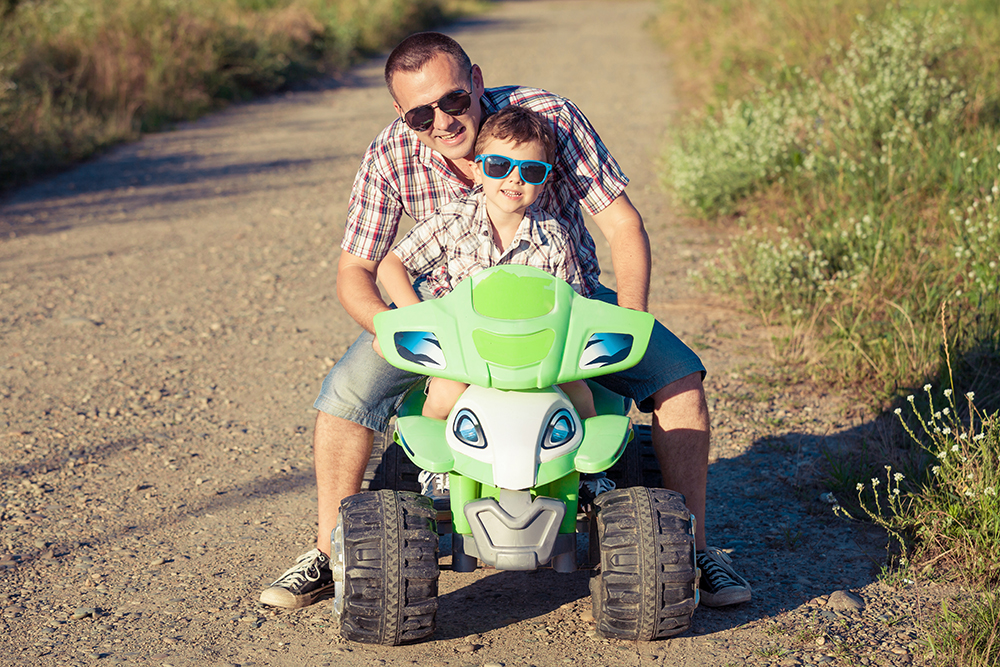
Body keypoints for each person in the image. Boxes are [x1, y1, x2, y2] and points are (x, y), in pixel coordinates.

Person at [259, 31, 751, 611]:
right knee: (346, 393)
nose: (440, 122)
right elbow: (357, 271)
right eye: (420, 113)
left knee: (679, 379)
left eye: (452, 101)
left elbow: (621, 226)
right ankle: (330, 550)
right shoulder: (391, 153)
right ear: (401, 113)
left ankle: (690, 549)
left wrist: (632, 318)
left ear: (475, 82)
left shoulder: (548, 121)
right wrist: (399, 325)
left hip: (564, 306)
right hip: (448, 319)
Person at [376, 104, 596, 421]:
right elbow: (391, 265)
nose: (515, 179)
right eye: (498, 165)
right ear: (478, 169)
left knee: (578, 391)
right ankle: (433, 459)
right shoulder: (454, 219)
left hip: (532, 345)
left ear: (545, 179)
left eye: (531, 171)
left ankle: (588, 462)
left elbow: (573, 304)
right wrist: (421, 320)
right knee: (445, 394)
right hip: (464, 345)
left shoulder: (553, 238)